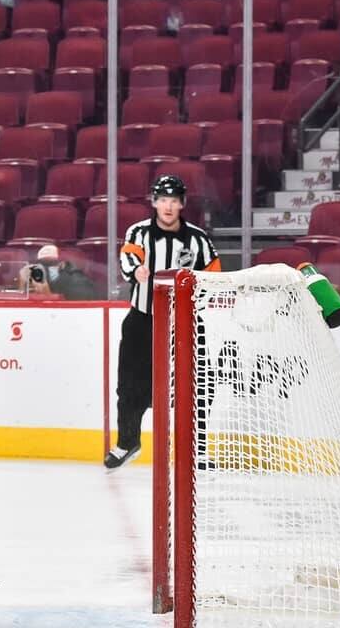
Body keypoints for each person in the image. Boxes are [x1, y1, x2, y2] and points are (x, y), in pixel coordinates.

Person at [104, 175, 220, 471]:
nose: (168, 206)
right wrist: (136, 271)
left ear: (182, 204)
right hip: (142, 321)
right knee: (130, 386)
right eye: (163, 199)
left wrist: (199, 298)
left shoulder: (197, 239)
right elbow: (128, 257)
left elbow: (213, 273)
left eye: (174, 200)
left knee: (197, 384)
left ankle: (198, 447)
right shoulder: (139, 232)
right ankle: (128, 440)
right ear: (154, 202)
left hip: (184, 321)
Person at [17, 244, 98, 300]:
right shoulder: (35, 276)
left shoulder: (78, 281)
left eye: (51, 263)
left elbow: (76, 308)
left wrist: (47, 295)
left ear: (62, 264)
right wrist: (22, 286)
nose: (44, 268)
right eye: (41, 263)